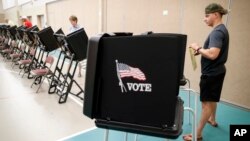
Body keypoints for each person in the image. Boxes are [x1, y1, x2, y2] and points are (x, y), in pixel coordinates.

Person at [183, 3, 229, 141]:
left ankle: (198, 135)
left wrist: (197, 48)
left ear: (216, 14)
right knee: (212, 98)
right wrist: (201, 51)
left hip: (211, 73)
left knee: (206, 104)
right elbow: (213, 51)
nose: (204, 19)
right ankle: (212, 120)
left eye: (207, 16)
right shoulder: (222, 29)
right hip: (218, 71)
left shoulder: (217, 32)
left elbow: (213, 54)